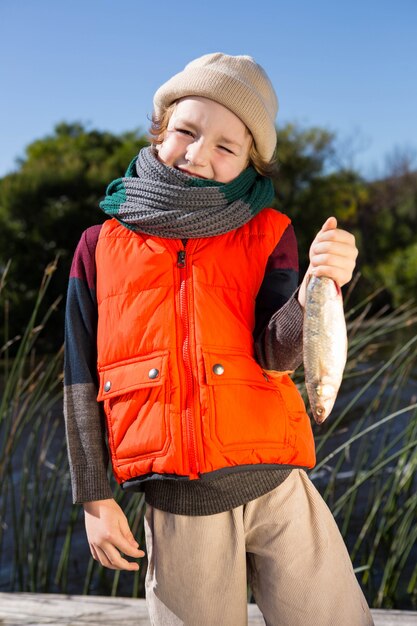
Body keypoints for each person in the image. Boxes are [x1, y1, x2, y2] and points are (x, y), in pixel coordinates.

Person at [64, 52, 374, 626]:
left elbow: (276, 353)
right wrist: (94, 497)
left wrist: (315, 289)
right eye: (186, 130)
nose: (199, 155)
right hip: (181, 505)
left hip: (280, 485)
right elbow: (80, 379)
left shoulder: (270, 233)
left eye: (227, 147)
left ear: (250, 162)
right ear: (160, 129)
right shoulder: (97, 245)